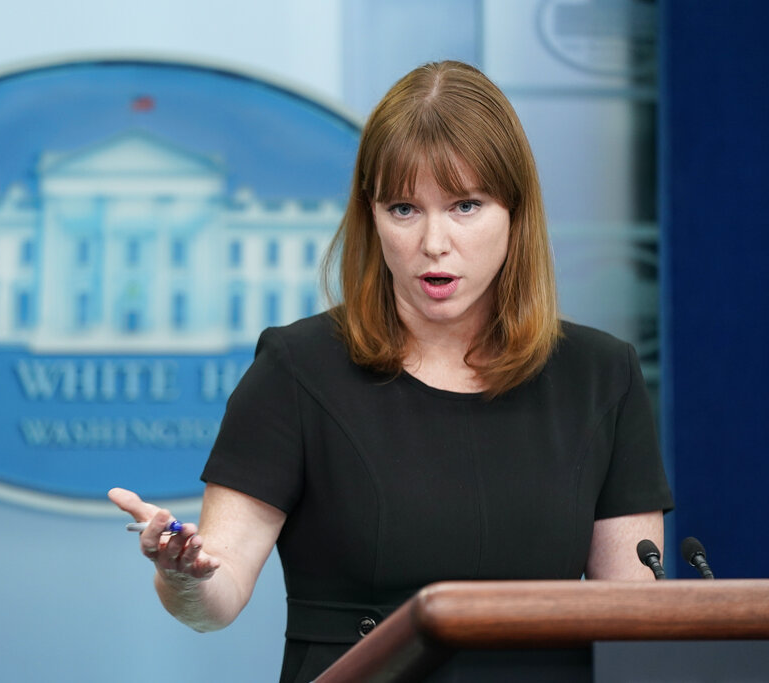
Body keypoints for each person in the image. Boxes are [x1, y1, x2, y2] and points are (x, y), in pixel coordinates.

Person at [108, 60, 673, 682]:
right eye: (404, 209)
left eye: (465, 206)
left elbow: (637, 624)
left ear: (515, 212)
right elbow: (215, 599)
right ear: (371, 216)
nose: (434, 242)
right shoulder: (297, 369)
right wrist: (182, 575)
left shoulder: (601, 376)